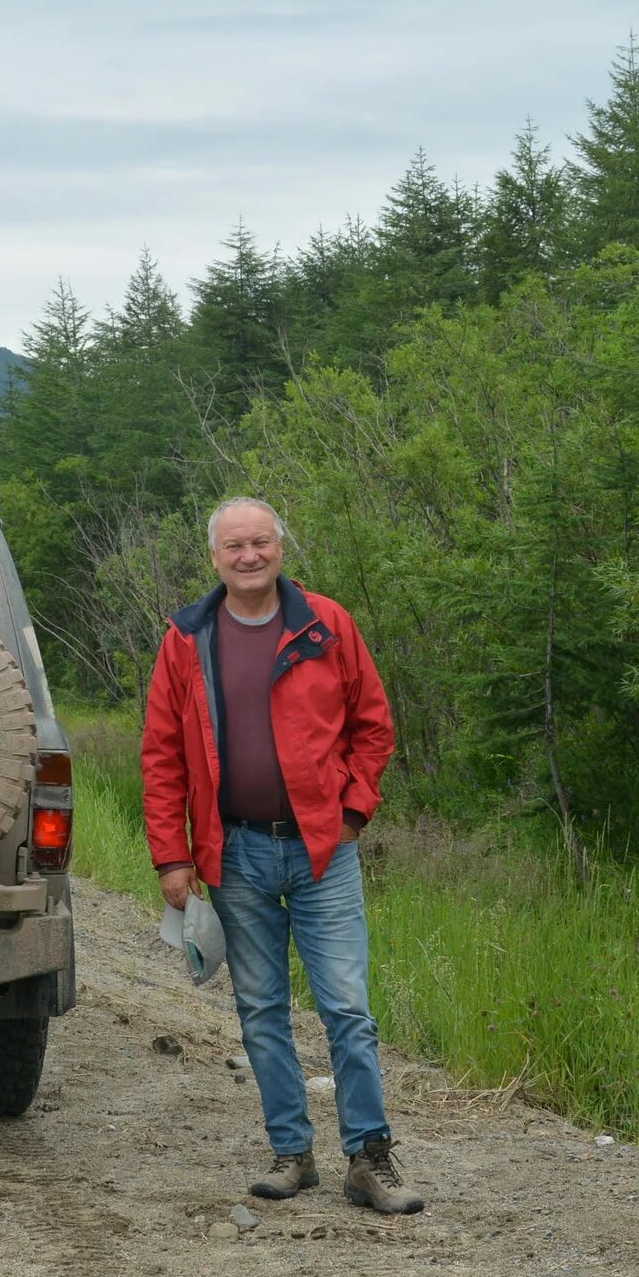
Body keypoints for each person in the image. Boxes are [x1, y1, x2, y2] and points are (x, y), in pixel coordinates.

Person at [140, 496, 419, 1214]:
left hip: (323, 851)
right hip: (232, 854)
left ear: (280, 548)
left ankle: (368, 1158)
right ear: (214, 558)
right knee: (261, 1009)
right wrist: (172, 856)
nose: (248, 556)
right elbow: (163, 755)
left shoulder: (328, 624)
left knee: (347, 1009)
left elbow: (374, 725)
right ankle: (293, 1154)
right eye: (234, 546)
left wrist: (354, 810)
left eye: (260, 542)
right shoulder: (186, 638)